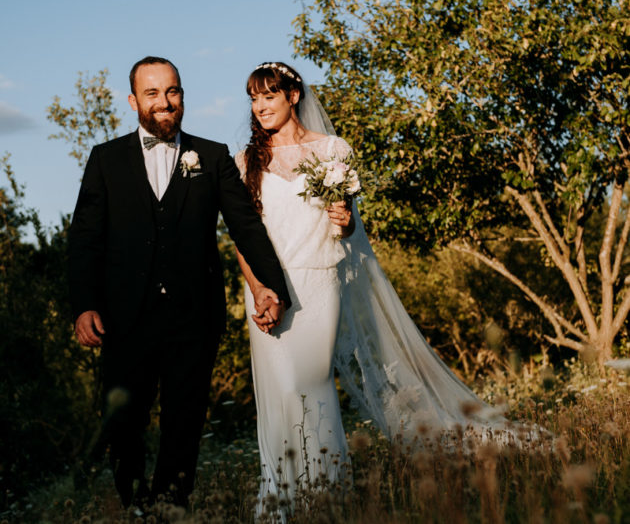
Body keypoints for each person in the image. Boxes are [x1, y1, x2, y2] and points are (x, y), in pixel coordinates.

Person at [235, 61, 537, 516]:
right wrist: (259, 289)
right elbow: (242, 236)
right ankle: (280, 500)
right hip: (267, 290)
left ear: (293, 96)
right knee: (279, 389)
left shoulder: (333, 149)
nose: (260, 107)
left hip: (319, 282)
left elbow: (349, 230)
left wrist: (346, 220)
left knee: (311, 384)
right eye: (254, 99)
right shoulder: (246, 161)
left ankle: (325, 492)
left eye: (269, 96)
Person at [68, 56, 289, 508]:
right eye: (152, 93)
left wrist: (273, 286)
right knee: (124, 422)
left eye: (173, 91)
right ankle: (133, 504)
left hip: (194, 317)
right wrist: (83, 304)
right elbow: (85, 239)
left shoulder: (211, 157)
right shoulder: (105, 160)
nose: (165, 102)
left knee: (184, 422)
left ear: (182, 95)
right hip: (124, 319)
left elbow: (246, 226)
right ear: (134, 101)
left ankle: (172, 507)